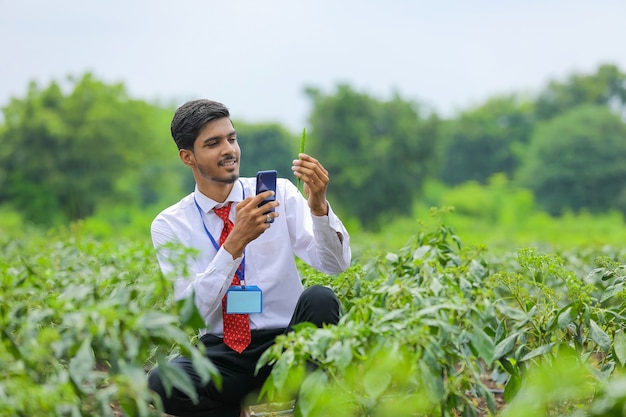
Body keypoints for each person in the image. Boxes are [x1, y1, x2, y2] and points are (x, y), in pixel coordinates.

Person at [147, 99, 351, 417]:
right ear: (188, 157)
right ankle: (236, 409)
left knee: (320, 299)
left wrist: (319, 209)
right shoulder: (170, 224)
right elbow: (190, 315)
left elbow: (335, 265)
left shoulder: (278, 194)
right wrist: (234, 244)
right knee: (163, 382)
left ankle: (308, 410)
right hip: (223, 351)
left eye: (231, 138)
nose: (229, 149)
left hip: (288, 344)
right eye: (213, 143)